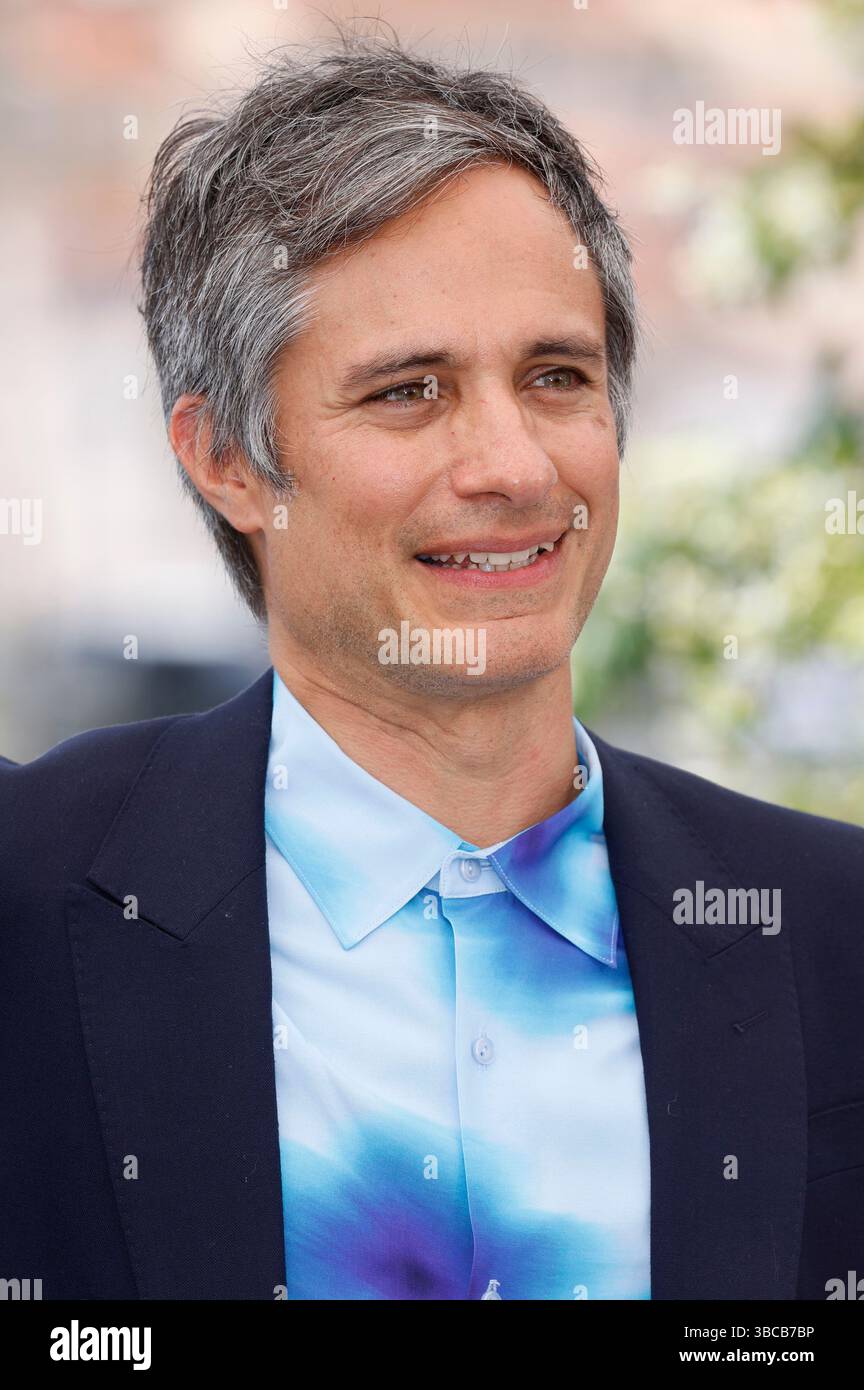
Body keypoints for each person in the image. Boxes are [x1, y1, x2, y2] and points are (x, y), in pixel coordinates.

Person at [2, 32, 862, 1302]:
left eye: (556, 376)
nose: (514, 466)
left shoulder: (833, 929)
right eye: (410, 392)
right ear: (226, 460)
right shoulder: (26, 901)